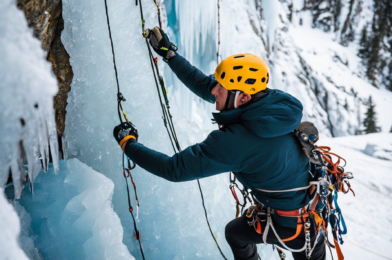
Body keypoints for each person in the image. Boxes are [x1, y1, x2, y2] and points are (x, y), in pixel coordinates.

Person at [113, 27, 326, 260]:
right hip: (313, 209)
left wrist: (128, 143)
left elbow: (173, 169)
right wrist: (170, 56)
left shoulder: (235, 142)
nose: (214, 89)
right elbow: (209, 87)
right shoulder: (272, 103)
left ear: (242, 97)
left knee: (235, 234)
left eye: (221, 87)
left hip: (289, 226)